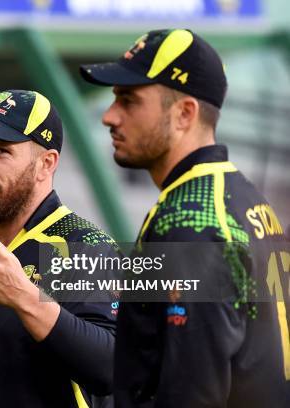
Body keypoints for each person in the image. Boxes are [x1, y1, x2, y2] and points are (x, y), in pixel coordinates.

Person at [81, 29, 290, 407]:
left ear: (184, 114)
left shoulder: (192, 222)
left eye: (128, 100)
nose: (110, 116)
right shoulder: (242, 197)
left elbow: (191, 393)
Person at [0, 89, 117, 407]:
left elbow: (115, 368)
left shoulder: (84, 247)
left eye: (0, 151)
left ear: (47, 164)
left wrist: (25, 297)